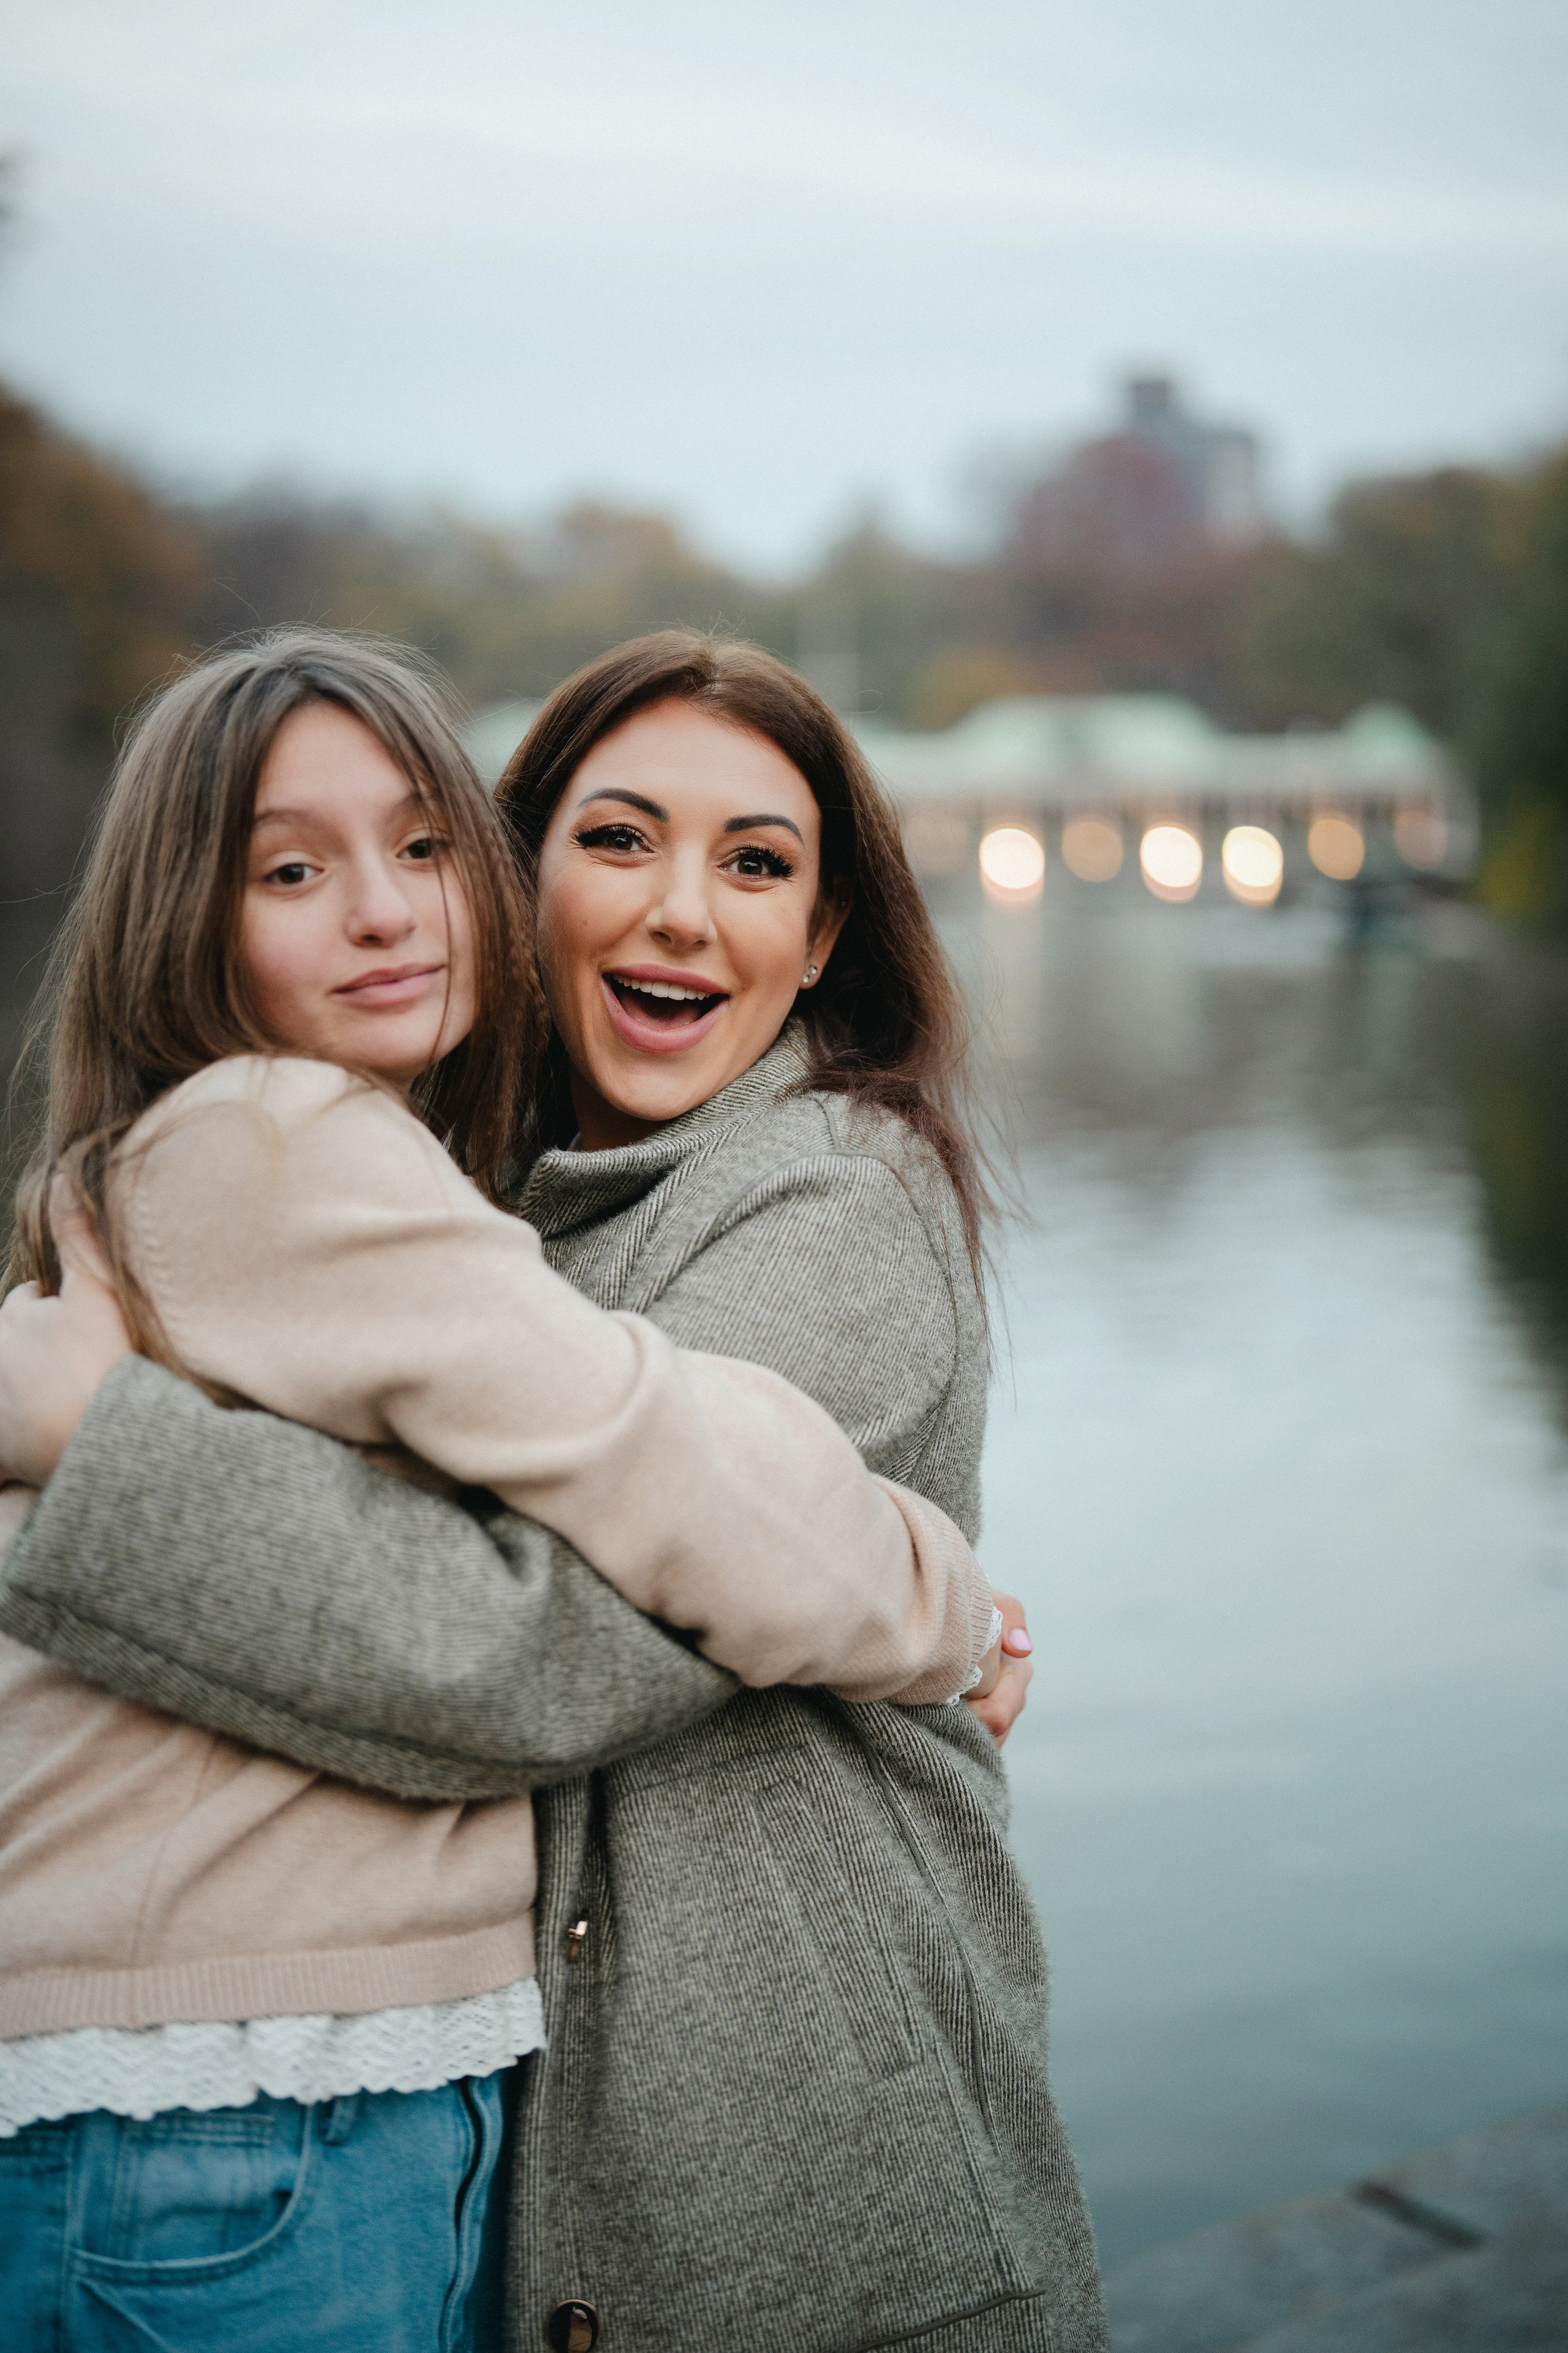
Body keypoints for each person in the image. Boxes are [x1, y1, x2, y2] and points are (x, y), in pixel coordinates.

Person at [0, 632, 1104, 2352]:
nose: (682, 910)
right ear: (517, 881)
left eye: (757, 866)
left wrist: (111, 1460)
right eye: (618, 837)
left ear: (820, 942)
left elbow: (527, 1659)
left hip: (822, 2220)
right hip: (412, 2160)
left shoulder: (832, 1197)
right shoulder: (438, 1185)